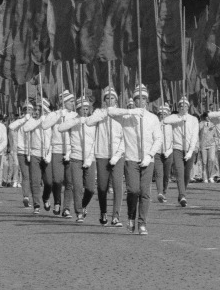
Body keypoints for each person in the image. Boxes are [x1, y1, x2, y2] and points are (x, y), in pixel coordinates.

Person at [107, 85, 162, 235]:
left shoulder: (153, 118)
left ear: (147, 101)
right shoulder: (127, 117)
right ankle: (131, 217)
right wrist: (131, 111)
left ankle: (142, 223)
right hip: (131, 159)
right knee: (133, 190)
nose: (141, 101)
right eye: (138, 98)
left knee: (145, 193)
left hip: (147, 160)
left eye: (143, 98)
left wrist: (150, 155)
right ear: (134, 100)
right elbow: (110, 111)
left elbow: (158, 139)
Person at [84, 88, 125, 226]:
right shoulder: (99, 112)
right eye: (107, 98)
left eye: (112, 98)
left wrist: (118, 154)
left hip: (117, 154)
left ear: (116, 100)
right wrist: (104, 114)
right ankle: (103, 211)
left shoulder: (121, 114)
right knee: (102, 187)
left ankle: (116, 216)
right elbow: (89, 122)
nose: (110, 100)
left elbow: (125, 137)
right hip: (102, 154)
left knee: (118, 185)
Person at [58, 97, 98, 222]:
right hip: (76, 158)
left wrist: (90, 158)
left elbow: (96, 141)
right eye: (82, 109)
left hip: (90, 159)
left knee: (91, 188)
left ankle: (83, 204)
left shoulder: (93, 122)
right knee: (77, 186)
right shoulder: (73, 120)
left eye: (87, 109)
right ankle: (79, 212)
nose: (85, 111)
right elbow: (61, 128)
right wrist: (76, 121)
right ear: (78, 109)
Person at [41, 91, 77, 217]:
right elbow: (45, 125)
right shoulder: (54, 114)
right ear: (64, 102)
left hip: (71, 150)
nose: (73, 103)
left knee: (69, 182)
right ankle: (57, 202)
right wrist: (58, 116)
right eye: (71, 101)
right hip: (57, 150)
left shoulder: (75, 115)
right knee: (57, 180)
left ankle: (66, 208)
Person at [160, 98, 199, 207]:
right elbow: (165, 121)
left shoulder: (193, 119)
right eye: (181, 106)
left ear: (188, 107)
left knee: (187, 175)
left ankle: (182, 193)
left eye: (185, 106)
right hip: (177, 148)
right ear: (178, 108)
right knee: (179, 172)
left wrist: (190, 151)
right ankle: (182, 195)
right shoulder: (174, 117)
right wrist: (179, 119)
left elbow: (194, 136)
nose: (183, 108)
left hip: (190, 149)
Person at [8, 102, 35, 207]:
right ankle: (26, 196)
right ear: (23, 111)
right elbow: (11, 126)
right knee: (25, 175)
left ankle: (34, 197)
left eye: (29, 109)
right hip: (21, 151)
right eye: (26, 110)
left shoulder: (35, 121)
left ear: (32, 111)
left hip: (33, 151)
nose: (28, 111)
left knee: (34, 176)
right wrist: (24, 120)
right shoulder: (20, 121)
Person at [153, 105, 173, 204]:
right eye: (161, 114)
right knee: (158, 174)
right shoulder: (155, 125)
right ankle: (160, 192)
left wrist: (168, 151)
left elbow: (174, 141)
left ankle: (164, 191)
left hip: (168, 153)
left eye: (164, 114)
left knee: (166, 175)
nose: (162, 116)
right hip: (157, 153)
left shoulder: (171, 125)